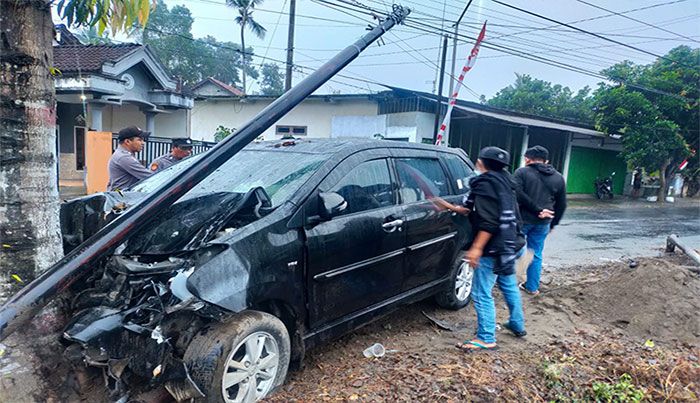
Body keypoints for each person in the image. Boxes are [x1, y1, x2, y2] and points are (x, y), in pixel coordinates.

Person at [438, 147, 527, 351]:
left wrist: (476, 249)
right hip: (513, 243)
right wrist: (448, 206)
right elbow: (470, 208)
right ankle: (517, 324)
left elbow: (488, 222)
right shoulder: (504, 181)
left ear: (480, 163)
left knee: (481, 293)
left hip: (495, 248)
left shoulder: (485, 184)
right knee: (507, 284)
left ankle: (486, 337)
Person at [513, 145, 567, 296]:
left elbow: (516, 193)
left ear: (527, 159)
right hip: (543, 223)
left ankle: (507, 283)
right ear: (546, 160)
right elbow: (562, 204)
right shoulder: (558, 177)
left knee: (512, 249)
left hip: (522, 220)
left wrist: (537, 209)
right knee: (535, 253)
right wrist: (553, 223)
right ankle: (532, 287)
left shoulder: (522, 172)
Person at [107, 126, 152, 191]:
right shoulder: (124, 157)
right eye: (139, 140)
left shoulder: (122, 154)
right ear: (127, 141)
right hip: (123, 198)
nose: (143, 143)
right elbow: (150, 177)